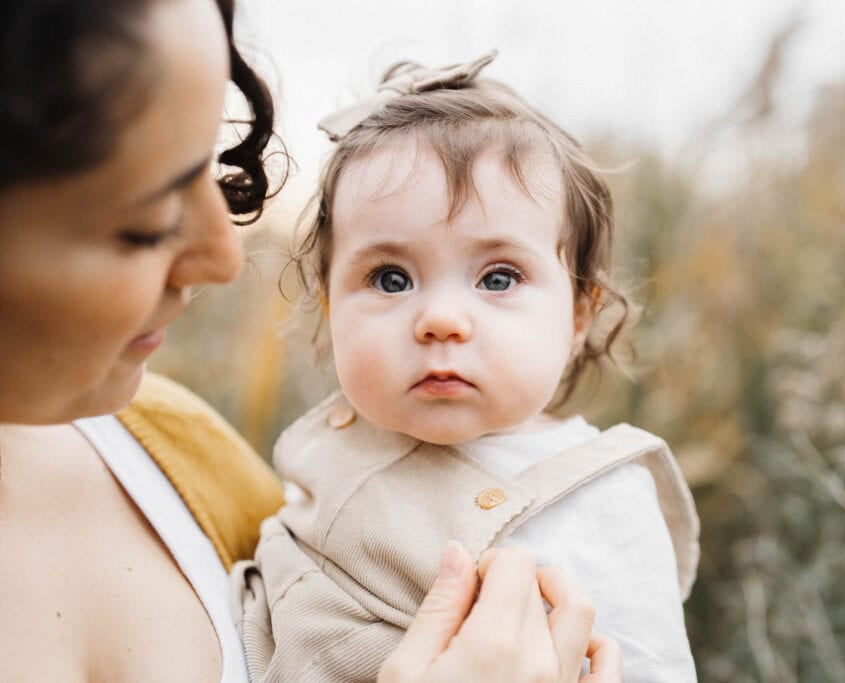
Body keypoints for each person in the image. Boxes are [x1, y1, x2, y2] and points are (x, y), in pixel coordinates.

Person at [0, 1, 618, 681]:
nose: (225, 259)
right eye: (147, 220)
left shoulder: (177, 449)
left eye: (207, 168)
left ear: (581, 310)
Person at [232, 52, 700, 682]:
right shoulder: (333, 445)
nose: (441, 319)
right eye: (391, 278)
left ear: (579, 314)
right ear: (328, 304)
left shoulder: (605, 499)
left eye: (498, 277)